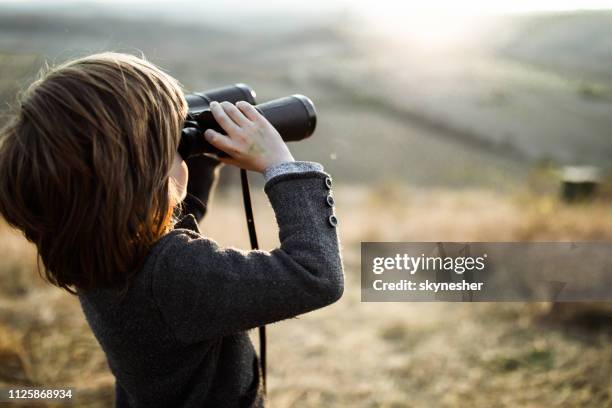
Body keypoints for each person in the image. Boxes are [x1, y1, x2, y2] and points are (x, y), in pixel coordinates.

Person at [0, 52, 344, 407]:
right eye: (173, 150)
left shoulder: (89, 245)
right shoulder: (174, 274)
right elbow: (315, 274)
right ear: (145, 179)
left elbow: (165, 218)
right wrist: (280, 167)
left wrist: (195, 150)